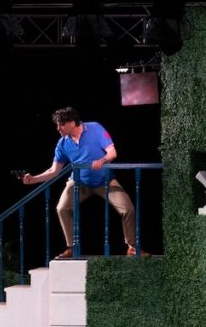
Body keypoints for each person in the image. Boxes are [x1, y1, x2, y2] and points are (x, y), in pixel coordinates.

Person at [22, 106, 144, 259]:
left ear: (72, 122)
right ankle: (72, 248)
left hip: (104, 181)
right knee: (61, 208)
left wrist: (102, 160)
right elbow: (54, 171)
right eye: (57, 125)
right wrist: (33, 179)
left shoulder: (95, 128)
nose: (58, 128)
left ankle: (132, 246)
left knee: (128, 208)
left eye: (62, 124)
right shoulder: (62, 143)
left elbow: (112, 153)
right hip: (79, 182)